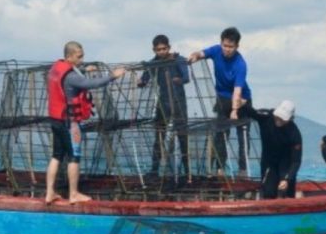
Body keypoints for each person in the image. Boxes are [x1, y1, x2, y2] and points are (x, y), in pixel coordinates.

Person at [45, 41, 125, 204]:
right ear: (69, 56)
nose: (82, 59)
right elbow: (91, 84)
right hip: (70, 123)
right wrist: (112, 76)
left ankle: (49, 193)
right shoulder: (73, 77)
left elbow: (68, 76)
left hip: (55, 120)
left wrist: (83, 69)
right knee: (74, 157)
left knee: (56, 156)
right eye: (79, 57)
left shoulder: (56, 68)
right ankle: (73, 194)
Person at [188, 26, 252, 175]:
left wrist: (235, 111)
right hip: (222, 97)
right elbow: (202, 53)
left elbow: (238, 91)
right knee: (221, 133)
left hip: (241, 99)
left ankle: (242, 169)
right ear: (221, 43)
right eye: (225, 45)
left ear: (237, 46)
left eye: (231, 46)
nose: (227, 49)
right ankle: (220, 167)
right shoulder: (216, 50)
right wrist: (195, 55)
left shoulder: (240, 64)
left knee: (243, 135)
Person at [137, 34, 190, 180]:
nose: (161, 52)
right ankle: (154, 170)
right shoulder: (153, 63)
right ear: (154, 50)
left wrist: (179, 80)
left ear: (169, 47)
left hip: (179, 102)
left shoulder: (178, 60)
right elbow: (145, 79)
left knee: (182, 136)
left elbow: (186, 77)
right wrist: (141, 82)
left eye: (164, 49)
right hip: (163, 102)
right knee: (159, 136)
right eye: (158, 50)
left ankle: (187, 171)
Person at [245, 100, 302, 199]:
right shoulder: (266, 117)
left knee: (285, 190)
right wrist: (242, 104)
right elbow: (251, 112)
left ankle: (293, 196)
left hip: (286, 161)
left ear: (290, 119)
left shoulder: (294, 133)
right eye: (278, 116)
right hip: (269, 161)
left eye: (283, 118)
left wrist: (287, 179)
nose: (279, 119)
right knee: (268, 193)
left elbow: (296, 161)